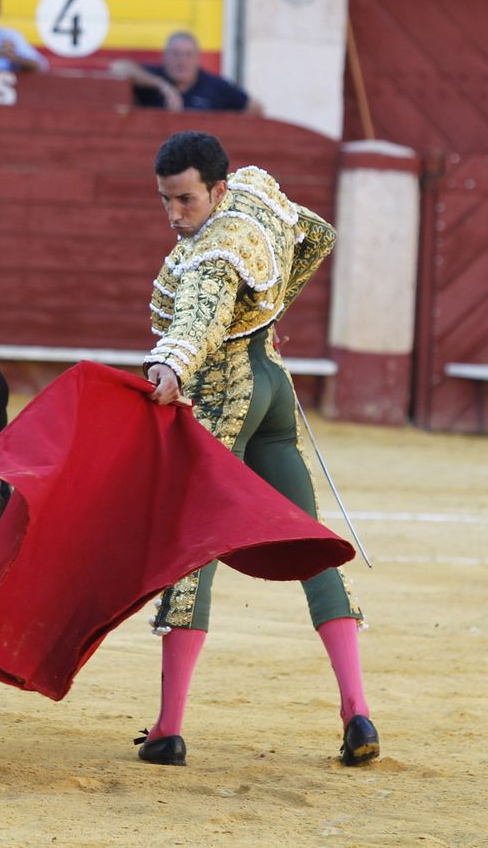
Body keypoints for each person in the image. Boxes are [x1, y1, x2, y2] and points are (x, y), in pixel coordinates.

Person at [136, 130, 378, 769]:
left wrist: (173, 367)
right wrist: (263, 314)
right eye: (165, 201)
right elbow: (316, 234)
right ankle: (357, 711)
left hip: (224, 396)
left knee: (191, 553)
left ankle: (167, 729)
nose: (175, 215)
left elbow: (199, 320)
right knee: (311, 543)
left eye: (185, 200)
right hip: (272, 383)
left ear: (215, 189)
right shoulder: (252, 197)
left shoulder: (214, 253)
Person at [111, 32, 264, 115]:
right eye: (176, 54)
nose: (182, 61)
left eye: (188, 55)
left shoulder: (215, 85)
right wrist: (162, 85)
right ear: (165, 57)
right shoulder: (153, 77)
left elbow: (255, 108)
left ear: (198, 59)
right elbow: (118, 67)